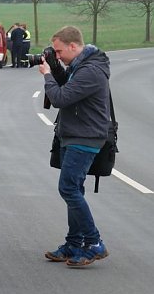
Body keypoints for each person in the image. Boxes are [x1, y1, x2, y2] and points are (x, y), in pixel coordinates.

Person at [39, 26, 110, 266]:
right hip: (74, 134)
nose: (57, 56)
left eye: (59, 52)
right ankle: (74, 243)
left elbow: (61, 97)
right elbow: (67, 87)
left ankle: (94, 242)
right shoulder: (80, 66)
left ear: (73, 46)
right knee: (74, 189)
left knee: (68, 188)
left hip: (86, 137)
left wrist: (48, 75)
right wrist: (56, 69)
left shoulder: (91, 71)